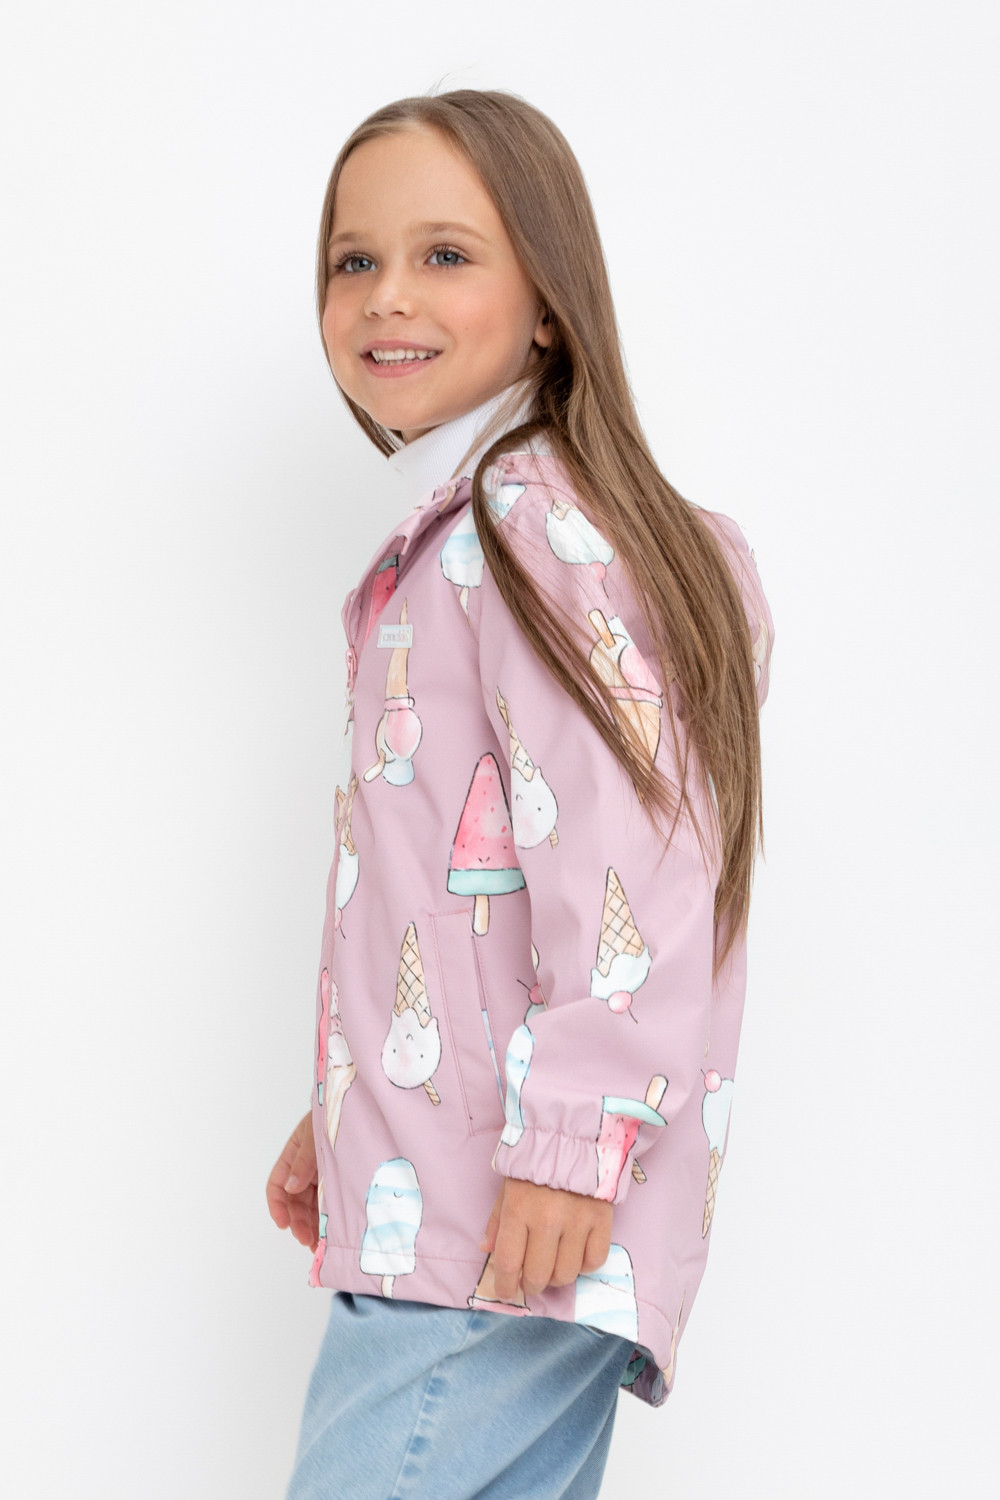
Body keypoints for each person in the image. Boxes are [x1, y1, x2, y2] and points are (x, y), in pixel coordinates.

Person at [266, 88, 774, 1500]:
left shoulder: (530, 529)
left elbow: (635, 861)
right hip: (469, 1187)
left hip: (506, 1215)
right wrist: (354, 1102)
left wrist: (571, 1135)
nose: (387, 294)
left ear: (549, 302)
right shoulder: (475, 532)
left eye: (445, 254)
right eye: (354, 259)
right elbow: (453, 899)